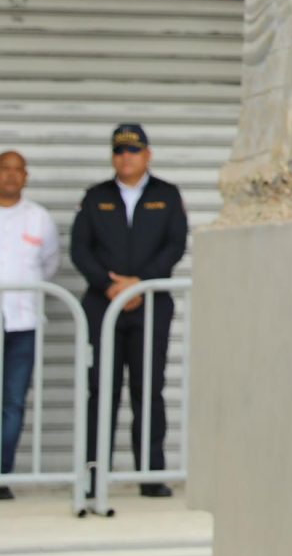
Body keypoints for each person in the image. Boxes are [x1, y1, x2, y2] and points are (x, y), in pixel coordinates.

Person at [69, 124, 187, 499]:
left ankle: (150, 473)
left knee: (148, 388)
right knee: (99, 390)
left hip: (151, 304)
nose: (126, 158)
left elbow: (175, 244)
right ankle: (92, 471)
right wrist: (110, 286)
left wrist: (140, 282)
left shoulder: (166, 195)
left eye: (133, 151)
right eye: (119, 151)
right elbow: (80, 249)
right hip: (102, 305)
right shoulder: (96, 197)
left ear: (147, 155)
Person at [0, 148, 63, 499]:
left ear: (26, 176)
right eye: (4, 169)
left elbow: (49, 263)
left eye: (17, 170)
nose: (10, 175)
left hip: (22, 323)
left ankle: (2, 474)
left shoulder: (38, 218)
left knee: (13, 400)